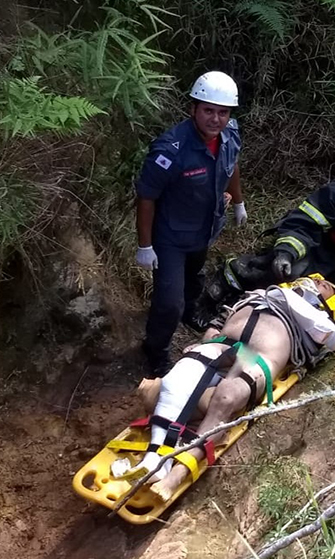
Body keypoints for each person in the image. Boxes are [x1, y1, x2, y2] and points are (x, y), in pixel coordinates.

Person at [112, 276, 335, 501]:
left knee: (226, 397)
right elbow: (221, 318)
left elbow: (324, 348)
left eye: (328, 286)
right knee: (179, 374)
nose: (320, 282)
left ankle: (174, 477)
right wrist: (205, 338)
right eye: (319, 280)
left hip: (257, 357)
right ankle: (155, 458)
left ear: (333, 301)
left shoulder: (320, 323)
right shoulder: (265, 293)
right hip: (223, 343)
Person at [192, 164, 335, 327]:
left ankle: (244, 308)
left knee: (311, 299)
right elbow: (305, 221)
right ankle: (222, 285)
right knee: (281, 270)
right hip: (317, 240)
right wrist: (286, 253)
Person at [134, 71, 247, 378]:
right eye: (208, 110)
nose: (216, 119)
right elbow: (146, 196)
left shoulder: (229, 136)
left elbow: (231, 164)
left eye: (223, 112)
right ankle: (155, 350)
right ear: (193, 109)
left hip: (204, 228)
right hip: (170, 237)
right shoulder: (171, 150)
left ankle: (189, 313)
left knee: (194, 280)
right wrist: (145, 245)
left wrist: (237, 201)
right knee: (168, 302)